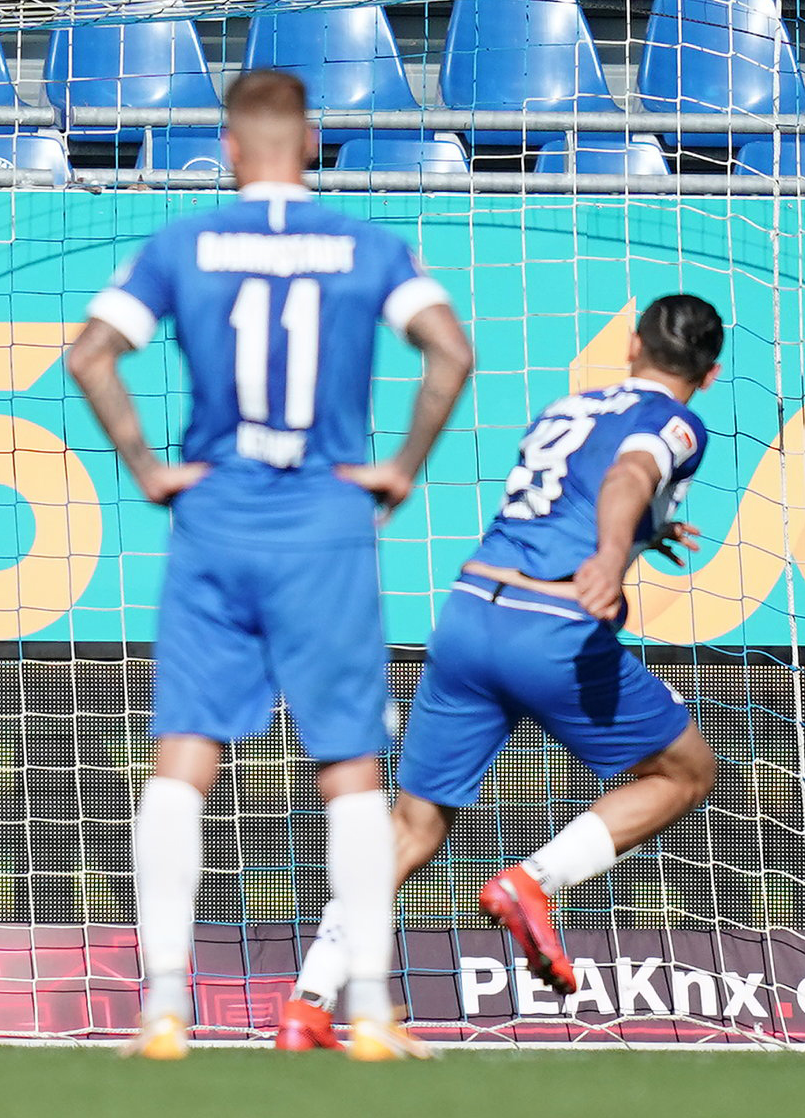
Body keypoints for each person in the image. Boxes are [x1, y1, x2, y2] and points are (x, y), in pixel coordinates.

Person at [61, 71, 476, 1062]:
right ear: (316, 141)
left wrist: (151, 467)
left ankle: (164, 1006)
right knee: (350, 766)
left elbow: (88, 356)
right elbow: (452, 353)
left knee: (185, 757)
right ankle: (370, 1006)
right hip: (328, 520)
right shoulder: (368, 245)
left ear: (232, 148)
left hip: (217, 517)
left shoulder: (183, 241)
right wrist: (404, 468)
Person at [278, 293, 729, 1040]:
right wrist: (616, 556)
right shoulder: (679, 422)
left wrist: (647, 533)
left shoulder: (567, 408)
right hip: (550, 626)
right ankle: (531, 883)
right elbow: (625, 477)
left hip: (469, 612)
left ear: (631, 347)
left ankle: (307, 1005)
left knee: (413, 825)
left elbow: (569, 496)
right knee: (685, 772)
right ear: (708, 375)